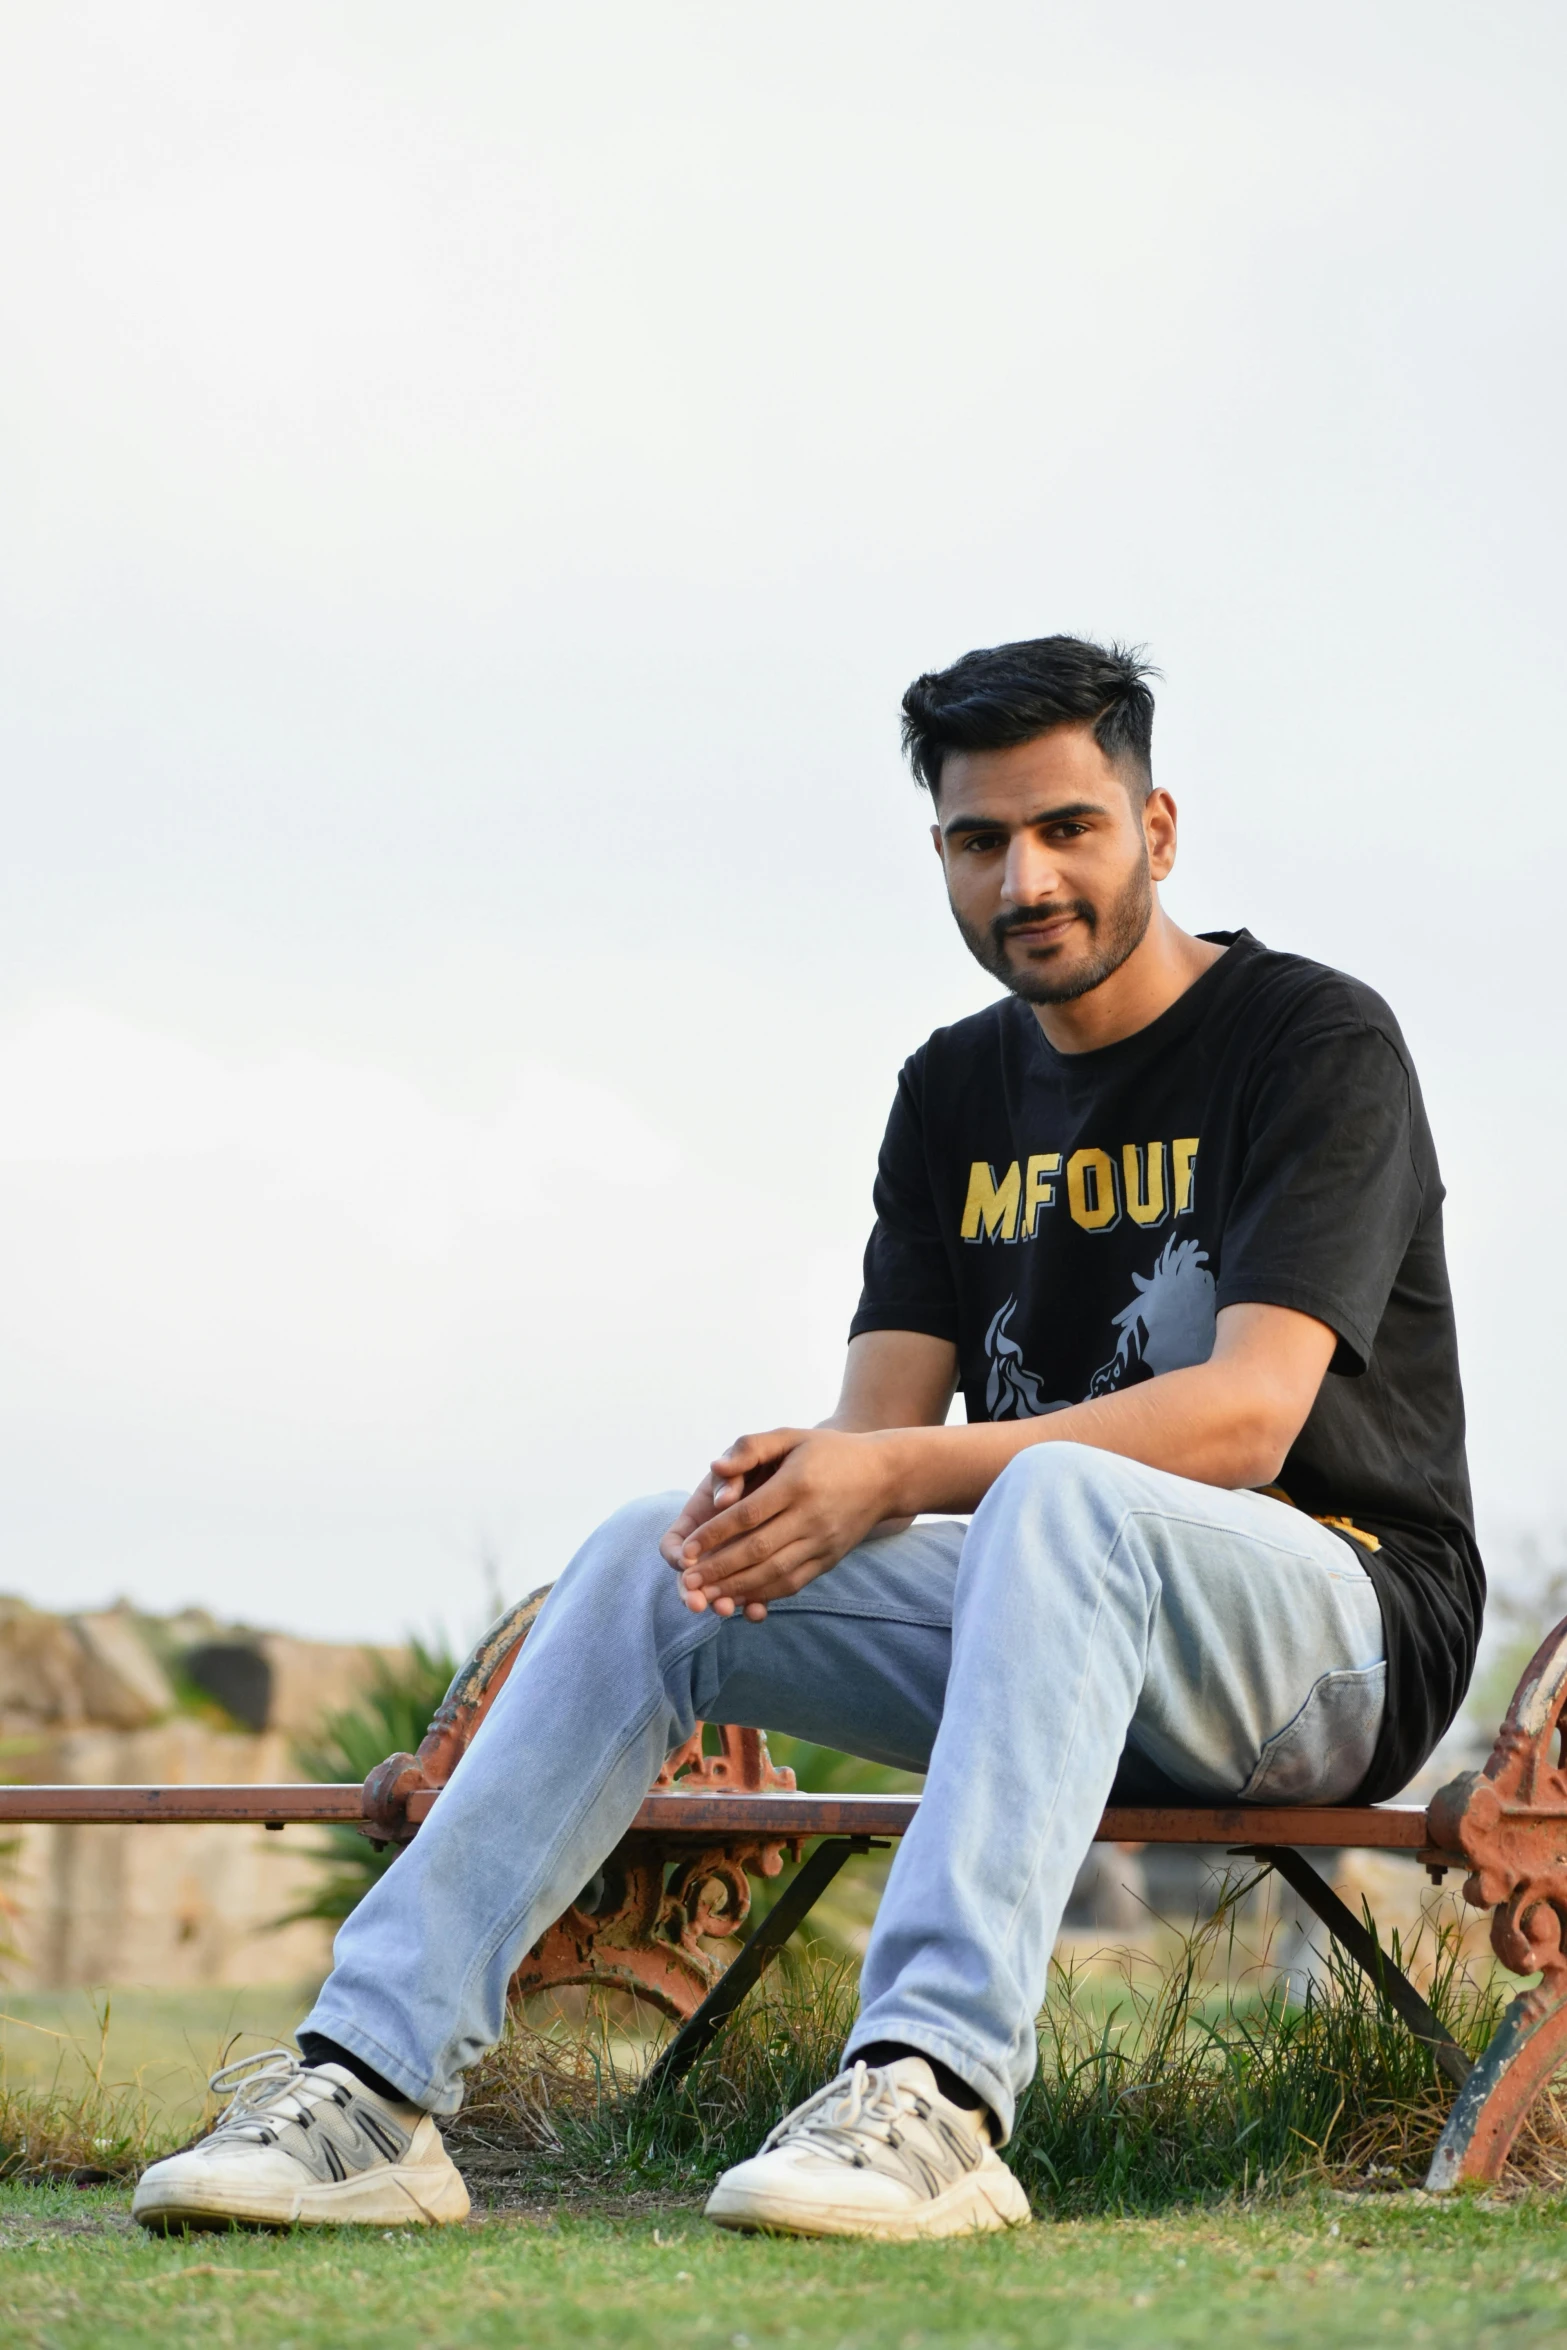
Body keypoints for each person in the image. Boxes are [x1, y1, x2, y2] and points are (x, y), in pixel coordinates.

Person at [133, 635, 1482, 2240]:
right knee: (662, 1549)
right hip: (1048, 1617)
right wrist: (801, 1489)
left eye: (1068, 828)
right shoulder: (952, 1093)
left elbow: (1250, 1416)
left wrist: (896, 1474)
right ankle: (369, 2084)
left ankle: (932, 2092)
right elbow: (877, 1449)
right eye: (981, 841)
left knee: (1059, 1485)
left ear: (1157, 828)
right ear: (940, 857)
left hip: (1331, 1636)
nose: (1025, 876)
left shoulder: (1308, 1040)